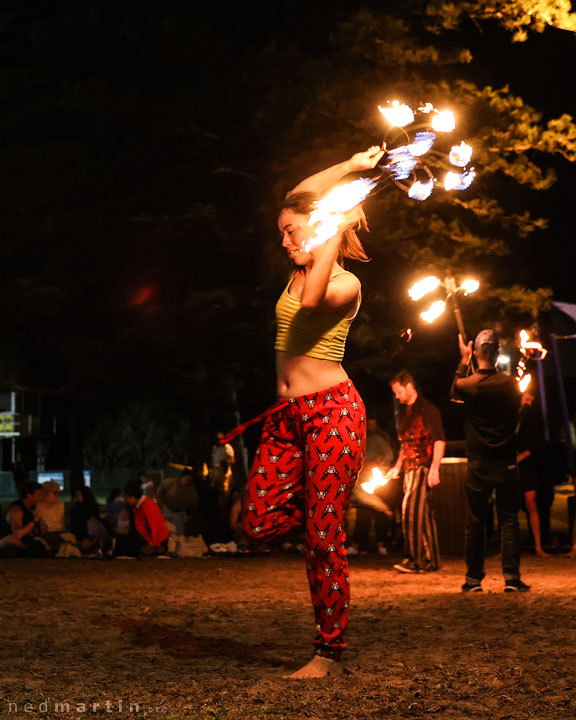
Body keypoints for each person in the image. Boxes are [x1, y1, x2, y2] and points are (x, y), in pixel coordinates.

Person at [220, 145, 384, 679]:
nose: (284, 239)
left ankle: (327, 653)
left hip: (333, 412)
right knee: (258, 523)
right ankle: (323, 510)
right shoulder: (301, 263)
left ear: (320, 230)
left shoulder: (342, 284)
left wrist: (329, 225)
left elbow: (310, 303)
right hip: (287, 415)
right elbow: (302, 194)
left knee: (323, 538)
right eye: (283, 231)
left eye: (293, 231)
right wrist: (352, 166)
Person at [452, 330, 529, 592]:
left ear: (476, 352)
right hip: (506, 461)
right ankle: (511, 578)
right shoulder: (509, 384)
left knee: (475, 520)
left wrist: (464, 360)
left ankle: (473, 579)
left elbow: (455, 391)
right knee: (509, 519)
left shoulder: (468, 385)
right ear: (497, 353)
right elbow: (517, 407)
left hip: (478, 463)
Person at [389, 371, 445, 573]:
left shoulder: (427, 410)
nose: (397, 396)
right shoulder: (407, 413)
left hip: (422, 467)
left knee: (410, 512)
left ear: (409, 386)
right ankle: (432, 560)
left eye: (398, 391)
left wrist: (434, 469)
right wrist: (397, 467)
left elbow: (439, 440)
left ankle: (415, 560)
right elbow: (405, 445)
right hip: (409, 469)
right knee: (423, 515)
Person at [347, 416, 394, 555]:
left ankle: (381, 544)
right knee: (363, 513)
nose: (370, 427)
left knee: (379, 513)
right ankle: (358, 544)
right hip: (362, 477)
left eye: (373, 424)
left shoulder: (380, 441)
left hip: (375, 477)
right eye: (368, 424)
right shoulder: (358, 439)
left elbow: (388, 456)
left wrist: (381, 464)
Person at [516, 390, 551, 558]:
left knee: (531, 504)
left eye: (531, 399)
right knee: (508, 507)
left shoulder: (533, 418)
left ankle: (538, 546)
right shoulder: (512, 416)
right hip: (511, 466)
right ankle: (506, 548)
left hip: (527, 466)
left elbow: (538, 442)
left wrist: (523, 455)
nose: (528, 402)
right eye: (526, 398)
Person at [0, 481, 49, 556]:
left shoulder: (34, 508)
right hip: (8, 541)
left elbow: (44, 532)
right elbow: (17, 535)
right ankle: (31, 553)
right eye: (38, 495)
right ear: (29, 496)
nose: (41, 498)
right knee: (12, 539)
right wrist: (34, 520)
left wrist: (41, 520)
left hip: (29, 541)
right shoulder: (17, 510)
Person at [124, 478, 169, 555]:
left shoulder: (147, 505)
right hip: (149, 540)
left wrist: (154, 544)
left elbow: (154, 525)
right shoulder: (140, 505)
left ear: (133, 497)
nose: (126, 500)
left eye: (127, 498)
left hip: (155, 541)